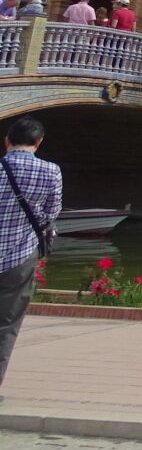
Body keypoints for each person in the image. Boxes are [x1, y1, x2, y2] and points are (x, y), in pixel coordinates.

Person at [0, 116, 63, 386]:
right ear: (38, 142)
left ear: (6, 141)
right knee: (7, 324)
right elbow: (52, 214)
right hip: (20, 256)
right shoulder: (51, 171)